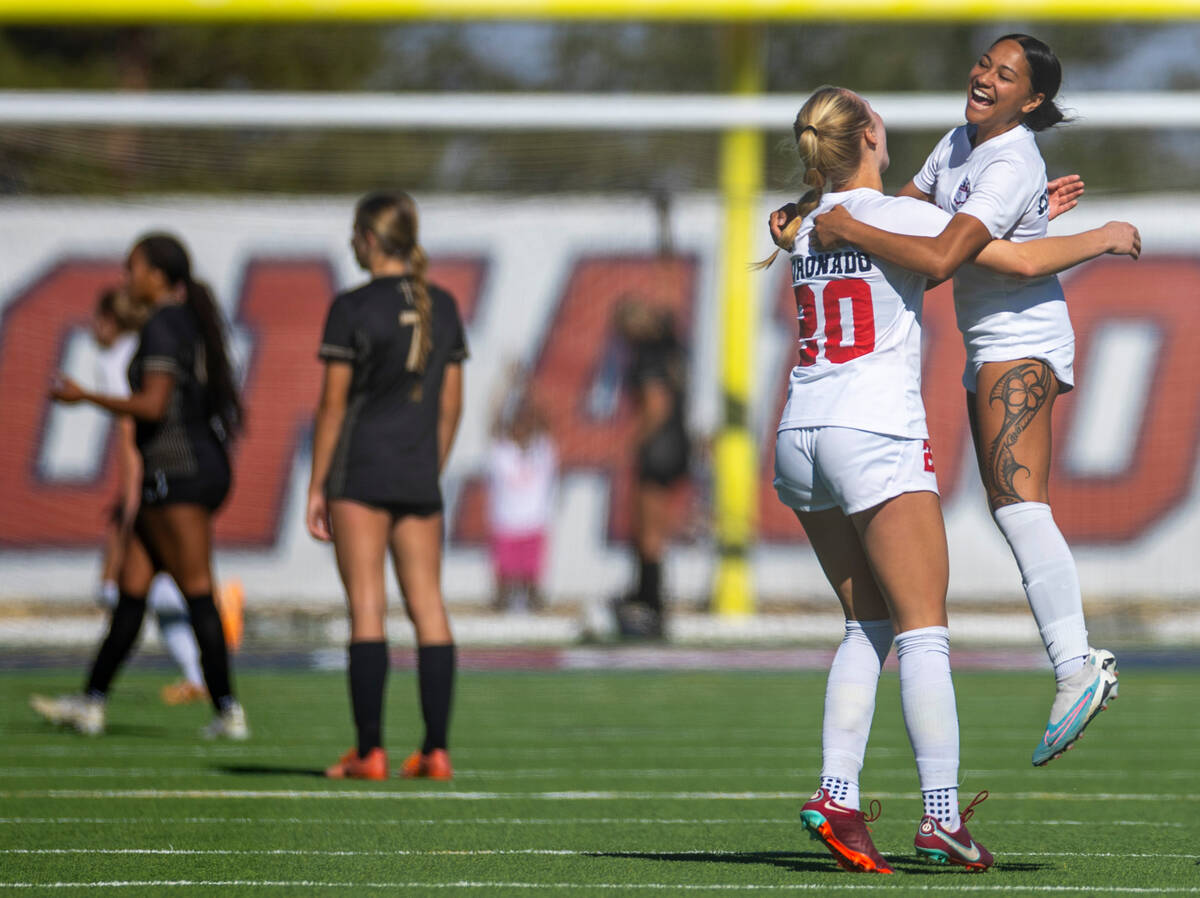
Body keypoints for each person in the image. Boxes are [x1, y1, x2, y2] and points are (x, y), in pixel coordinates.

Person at [760, 87, 1137, 873]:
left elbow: (896, 262)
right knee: (925, 627)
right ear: (868, 135)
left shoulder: (803, 223)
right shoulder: (900, 217)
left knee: (868, 624)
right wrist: (1103, 235)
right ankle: (938, 819)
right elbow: (1018, 261)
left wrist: (1026, 207)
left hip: (799, 430)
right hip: (872, 429)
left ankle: (838, 795)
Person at [802, 34, 1123, 768]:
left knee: (1019, 503)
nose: (984, 77)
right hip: (990, 345)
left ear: (1032, 100)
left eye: (1005, 75)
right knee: (1008, 503)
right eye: (984, 63)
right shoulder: (959, 142)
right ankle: (1073, 663)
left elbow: (944, 255)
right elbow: (904, 211)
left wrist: (1100, 235)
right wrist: (810, 212)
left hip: (1022, 339)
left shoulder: (1011, 159)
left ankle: (1076, 664)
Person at [33, 233, 248, 739]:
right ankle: (91, 702)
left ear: (157, 275)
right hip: (181, 470)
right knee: (131, 594)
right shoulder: (185, 320)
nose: (127, 278)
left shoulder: (165, 323)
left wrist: (85, 396)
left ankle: (228, 711)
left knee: (197, 593)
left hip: (179, 470)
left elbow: (152, 406)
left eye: (134, 268)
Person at [307, 190, 466, 782]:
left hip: (361, 473)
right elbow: (452, 407)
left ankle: (369, 751)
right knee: (430, 608)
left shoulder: (350, 308)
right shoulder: (442, 304)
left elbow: (331, 406)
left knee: (367, 610)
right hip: (418, 474)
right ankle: (436, 750)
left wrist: (318, 485)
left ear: (370, 240)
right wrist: (429, 464)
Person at [90, 286, 209, 707]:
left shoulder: (120, 356)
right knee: (165, 592)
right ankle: (203, 682)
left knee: (141, 591)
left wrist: (130, 498)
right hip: (187, 473)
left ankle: (217, 693)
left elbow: (129, 434)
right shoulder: (161, 342)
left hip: (161, 480)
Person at [611, 299, 690, 640]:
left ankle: (650, 603)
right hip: (676, 443)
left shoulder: (648, 356)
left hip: (659, 448)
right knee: (651, 531)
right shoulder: (672, 347)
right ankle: (646, 597)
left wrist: (633, 442)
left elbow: (656, 406)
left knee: (648, 533)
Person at [486, 383, 558, 613]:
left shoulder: (542, 452)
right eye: (517, 424)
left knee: (533, 589)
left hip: (533, 527)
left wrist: (529, 387)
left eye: (526, 424)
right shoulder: (502, 454)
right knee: (502, 592)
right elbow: (494, 422)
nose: (522, 429)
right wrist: (507, 385)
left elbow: (545, 422)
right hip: (505, 527)